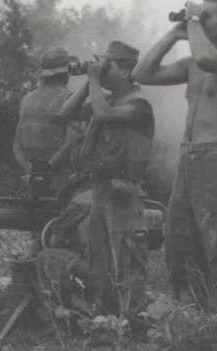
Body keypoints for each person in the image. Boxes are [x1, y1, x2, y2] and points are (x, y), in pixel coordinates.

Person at [134, 0, 217, 321]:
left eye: (207, 17)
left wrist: (191, 20)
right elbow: (142, 72)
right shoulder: (193, 65)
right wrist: (174, 35)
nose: (200, 23)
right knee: (180, 245)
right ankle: (198, 325)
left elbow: (206, 57)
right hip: (189, 160)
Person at [48, 41, 155, 322]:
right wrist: (87, 82)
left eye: (109, 65)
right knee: (101, 259)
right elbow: (63, 115)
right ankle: (106, 317)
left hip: (124, 190)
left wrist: (94, 80)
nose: (102, 71)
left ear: (125, 70)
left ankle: (134, 320)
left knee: (128, 257)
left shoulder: (138, 104)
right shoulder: (104, 99)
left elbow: (105, 116)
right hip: (101, 188)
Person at [13, 47, 77, 198]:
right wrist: (46, 172)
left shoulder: (27, 99)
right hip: (61, 185)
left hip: (31, 185)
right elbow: (70, 144)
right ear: (66, 74)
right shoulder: (69, 99)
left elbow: (16, 147)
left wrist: (32, 173)